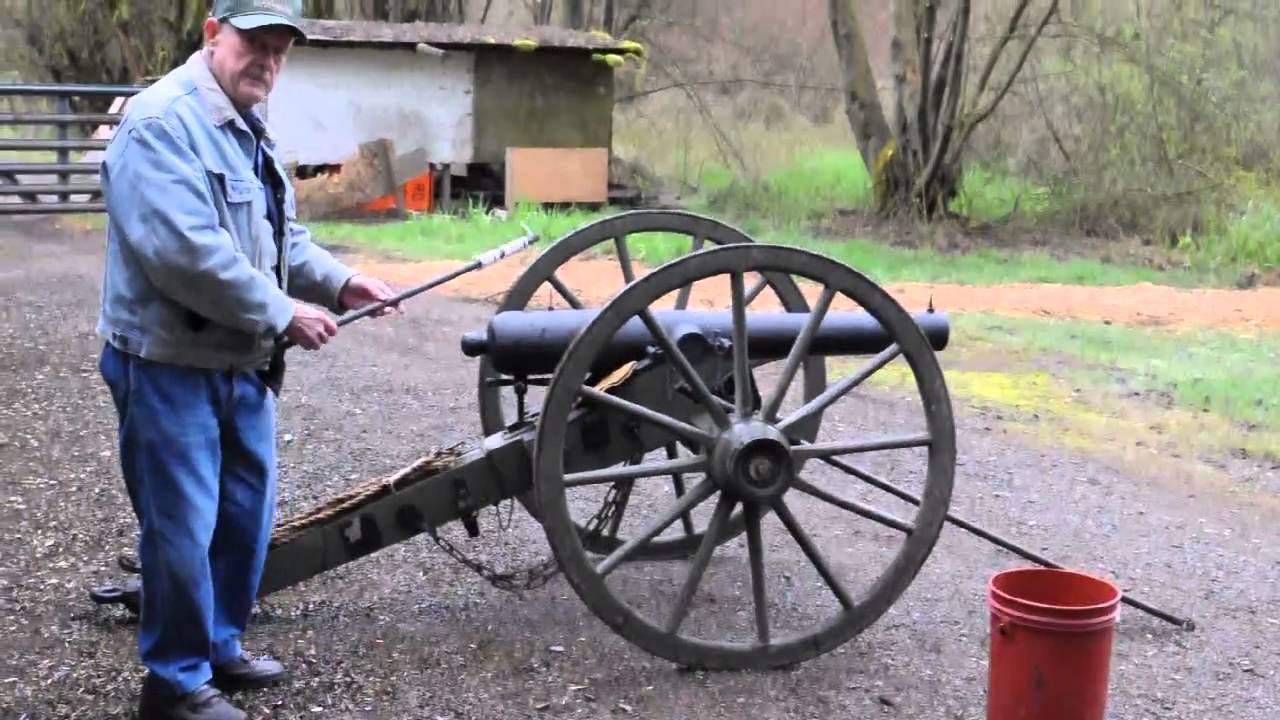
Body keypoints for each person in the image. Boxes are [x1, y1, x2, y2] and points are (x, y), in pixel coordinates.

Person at [96, 2, 398, 718]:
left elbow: (278, 239)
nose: (266, 60)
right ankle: (172, 682)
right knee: (181, 528)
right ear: (211, 34)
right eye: (253, 43)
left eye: (279, 49)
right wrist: (282, 313)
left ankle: (219, 646)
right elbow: (185, 256)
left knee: (243, 518)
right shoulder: (160, 124)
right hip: (169, 364)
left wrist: (337, 280)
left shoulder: (245, 129)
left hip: (240, 364)